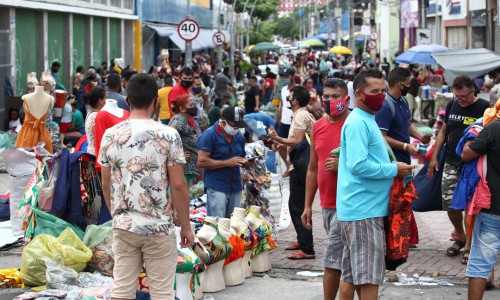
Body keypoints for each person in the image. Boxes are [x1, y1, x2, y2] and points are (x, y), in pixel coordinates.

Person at [99, 73, 194, 300]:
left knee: (122, 290)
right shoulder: (168, 135)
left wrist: (117, 214)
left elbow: (105, 184)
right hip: (158, 227)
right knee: (161, 293)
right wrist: (187, 226)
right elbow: (179, 186)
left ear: (128, 101)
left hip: (124, 226)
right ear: (156, 101)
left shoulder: (111, 135)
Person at [337, 69, 414, 299]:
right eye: (374, 91)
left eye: (382, 90)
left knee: (352, 275)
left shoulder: (366, 119)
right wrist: (394, 169)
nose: (380, 95)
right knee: (369, 277)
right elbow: (358, 165)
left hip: (361, 209)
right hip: (364, 210)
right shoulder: (359, 123)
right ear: (359, 94)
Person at [427, 75, 490, 259]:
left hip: (473, 164)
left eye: (463, 96)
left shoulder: (485, 108)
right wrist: (433, 157)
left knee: (471, 206)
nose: (460, 100)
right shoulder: (452, 104)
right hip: (451, 161)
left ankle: (469, 244)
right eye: (457, 96)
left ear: (473, 91)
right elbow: (443, 132)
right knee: (449, 203)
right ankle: (460, 234)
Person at [301, 78, 351, 299]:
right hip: (327, 204)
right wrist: (307, 206)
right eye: (326, 97)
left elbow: (371, 163)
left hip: (350, 204)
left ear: (346, 98)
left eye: (336, 97)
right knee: (339, 260)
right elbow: (313, 168)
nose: (330, 101)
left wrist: (344, 166)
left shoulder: (356, 124)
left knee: (333, 261)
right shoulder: (318, 126)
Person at [269, 85, 315, 260]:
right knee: (295, 205)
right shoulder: (300, 114)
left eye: (290, 96)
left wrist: (277, 138)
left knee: (298, 206)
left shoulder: (301, 115)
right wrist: (281, 144)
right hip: (300, 164)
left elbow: (297, 140)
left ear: (294, 100)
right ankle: (301, 240)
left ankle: (307, 248)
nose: (287, 98)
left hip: (302, 165)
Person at [461, 100, 500, 300]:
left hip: (493, 208)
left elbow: (466, 154)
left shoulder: (493, 127)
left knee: (480, 264)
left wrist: (471, 136)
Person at [197, 106, 253, 218]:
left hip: (235, 186)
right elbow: (201, 161)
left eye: (239, 126)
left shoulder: (238, 137)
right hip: (217, 186)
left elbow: (241, 156)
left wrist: (246, 163)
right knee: (218, 224)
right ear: (223, 122)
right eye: (234, 125)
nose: (236, 128)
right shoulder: (209, 135)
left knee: (234, 222)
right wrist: (227, 163)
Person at [376, 67, 431, 166]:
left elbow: (408, 124)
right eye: (408, 83)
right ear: (400, 85)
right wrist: (406, 146)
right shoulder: (385, 106)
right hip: (392, 162)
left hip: (405, 158)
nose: (410, 86)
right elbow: (381, 137)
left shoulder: (403, 100)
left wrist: (420, 136)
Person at [169, 94, 200, 187]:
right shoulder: (179, 120)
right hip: (182, 169)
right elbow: (169, 135)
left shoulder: (184, 120)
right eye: (191, 105)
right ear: (182, 109)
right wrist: (179, 154)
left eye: (194, 104)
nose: (194, 107)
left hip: (187, 169)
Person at [276, 68, 296, 177]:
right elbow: (282, 105)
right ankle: (288, 166)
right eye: (284, 76)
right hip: (284, 122)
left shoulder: (298, 89)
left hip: (294, 123)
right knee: (279, 146)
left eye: (288, 76)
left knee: (294, 147)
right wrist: (279, 118)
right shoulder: (283, 89)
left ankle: (295, 168)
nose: (286, 78)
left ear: (292, 76)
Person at [85, 88, 107, 156]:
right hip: (96, 154)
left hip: (91, 152)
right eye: (106, 98)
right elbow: (99, 137)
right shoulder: (96, 116)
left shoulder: (90, 113)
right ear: (100, 101)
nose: (108, 101)